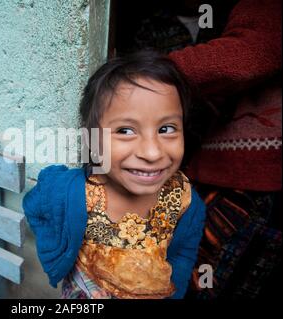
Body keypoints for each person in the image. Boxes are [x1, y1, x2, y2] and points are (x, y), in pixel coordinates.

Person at [22, 51, 206, 299]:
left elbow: (182, 255)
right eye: (125, 130)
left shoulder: (185, 203)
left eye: (166, 128)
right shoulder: (68, 191)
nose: (152, 153)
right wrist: (58, 251)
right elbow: (34, 207)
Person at [167, 0, 282, 298]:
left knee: (210, 282)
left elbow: (248, 56)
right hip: (227, 175)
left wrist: (149, 70)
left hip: (253, 183)